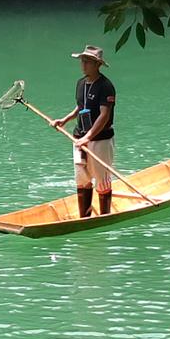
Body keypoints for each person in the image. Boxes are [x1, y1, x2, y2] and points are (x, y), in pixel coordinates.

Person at [53, 44, 116, 218]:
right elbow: (80, 107)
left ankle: (105, 217)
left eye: (87, 62)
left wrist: (89, 137)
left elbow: (104, 115)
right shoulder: (80, 83)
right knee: (82, 179)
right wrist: (64, 120)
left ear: (98, 65)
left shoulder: (106, 86)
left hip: (100, 140)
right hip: (79, 138)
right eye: (82, 61)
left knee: (102, 180)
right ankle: (84, 218)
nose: (83, 65)